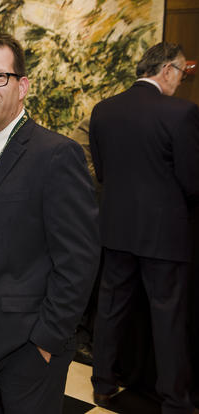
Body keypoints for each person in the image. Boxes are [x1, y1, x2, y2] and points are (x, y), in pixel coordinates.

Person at [0, 32, 100, 414]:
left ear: (23, 86)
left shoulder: (55, 155)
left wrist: (45, 342)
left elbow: (78, 260)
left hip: (27, 349)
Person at [90, 42, 199, 414]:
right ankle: (176, 402)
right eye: (182, 75)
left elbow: (102, 173)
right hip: (164, 235)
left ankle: (102, 385)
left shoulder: (103, 111)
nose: (181, 83)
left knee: (109, 310)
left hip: (116, 230)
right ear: (167, 69)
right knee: (168, 319)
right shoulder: (181, 113)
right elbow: (192, 181)